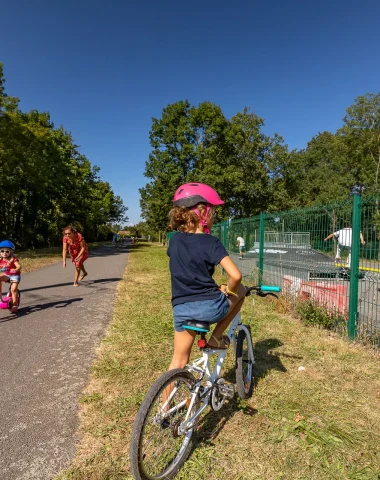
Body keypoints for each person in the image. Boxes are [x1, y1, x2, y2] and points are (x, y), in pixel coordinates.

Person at [167, 182, 246, 372]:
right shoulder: (211, 242)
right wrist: (229, 290)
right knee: (241, 291)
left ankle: (163, 403)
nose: (214, 217)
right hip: (210, 309)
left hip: (181, 308)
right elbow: (236, 275)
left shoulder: (174, 240)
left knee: (177, 362)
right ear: (203, 213)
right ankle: (217, 337)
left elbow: (190, 269)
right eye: (213, 212)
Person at [0, 240, 21, 313]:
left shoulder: (13, 259)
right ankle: (0, 298)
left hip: (15, 276)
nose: (4, 253)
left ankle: (15, 305)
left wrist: (15, 269)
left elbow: (19, 266)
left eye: (7, 251)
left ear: (11, 252)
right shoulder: (0, 259)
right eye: (2, 251)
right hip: (6, 275)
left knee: (14, 290)